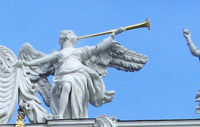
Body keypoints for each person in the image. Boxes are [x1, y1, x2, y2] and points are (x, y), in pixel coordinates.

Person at [19, 30, 147, 119]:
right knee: (66, 86)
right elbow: (42, 61)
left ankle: (75, 118)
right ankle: (60, 115)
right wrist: (26, 63)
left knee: (75, 95)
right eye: (73, 34)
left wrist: (112, 35)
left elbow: (99, 48)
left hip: (79, 75)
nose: (76, 36)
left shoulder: (80, 51)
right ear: (67, 37)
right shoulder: (59, 53)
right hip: (63, 74)